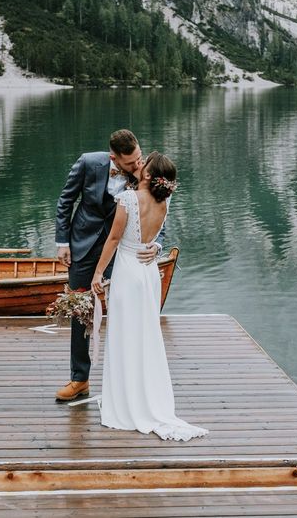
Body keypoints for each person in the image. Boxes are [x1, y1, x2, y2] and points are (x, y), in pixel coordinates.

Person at [91, 152, 207, 441]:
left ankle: (127, 403)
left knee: (124, 335)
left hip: (129, 272)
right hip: (149, 273)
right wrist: (155, 247)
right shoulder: (164, 201)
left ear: (147, 174)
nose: (139, 164)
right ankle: (146, 398)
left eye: (143, 164)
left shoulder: (129, 200)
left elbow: (115, 239)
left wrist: (98, 273)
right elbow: (154, 237)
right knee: (145, 335)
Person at [54, 129, 162, 402]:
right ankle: (80, 379)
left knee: (127, 311)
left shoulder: (146, 170)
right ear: (113, 157)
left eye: (139, 158)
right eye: (130, 163)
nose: (137, 165)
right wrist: (62, 242)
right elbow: (66, 201)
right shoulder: (88, 162)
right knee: (80, 310)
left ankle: (129, 382)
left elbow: (158, 206)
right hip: (83, 245)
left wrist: (157, 245)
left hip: (124, 252)